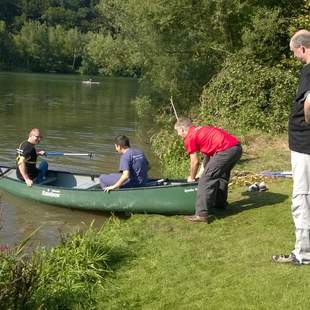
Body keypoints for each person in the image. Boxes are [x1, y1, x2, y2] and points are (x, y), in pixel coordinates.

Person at [272, 30, 310, 265]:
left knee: (302, 197)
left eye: (294, 52)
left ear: (303, 48)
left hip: (305, 146)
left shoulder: (309, 71)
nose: (295, 56)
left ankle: (304, 253)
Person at [175, 117, 242, 223]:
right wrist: (198, 175)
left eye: (177, 131)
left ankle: (201, 214)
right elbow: (207, 161)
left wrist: (192, 178)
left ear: (182, 129)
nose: (178, 134)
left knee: (205, 180)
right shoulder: (201, 130)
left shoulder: (189, 137)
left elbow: (194, 162)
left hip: (225, 150)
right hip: (236, 148)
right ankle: (220, 205)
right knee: (221, 176)